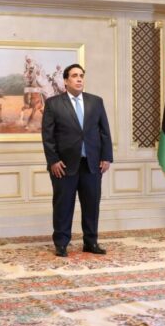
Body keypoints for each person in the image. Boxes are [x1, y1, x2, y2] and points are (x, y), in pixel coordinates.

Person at [41, 64, 113, 257]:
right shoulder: (53, 104)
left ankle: (91, 242)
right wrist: (53, 160)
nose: (79, 79)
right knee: (63, 206)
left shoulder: (96, 102)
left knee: (92, 205)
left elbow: (104, 132)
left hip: (92, 164)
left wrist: (106, 157)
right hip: (63, 166)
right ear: (65, 81)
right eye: (74, 76)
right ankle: (61, 243)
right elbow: (47, 136)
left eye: (81, 75)